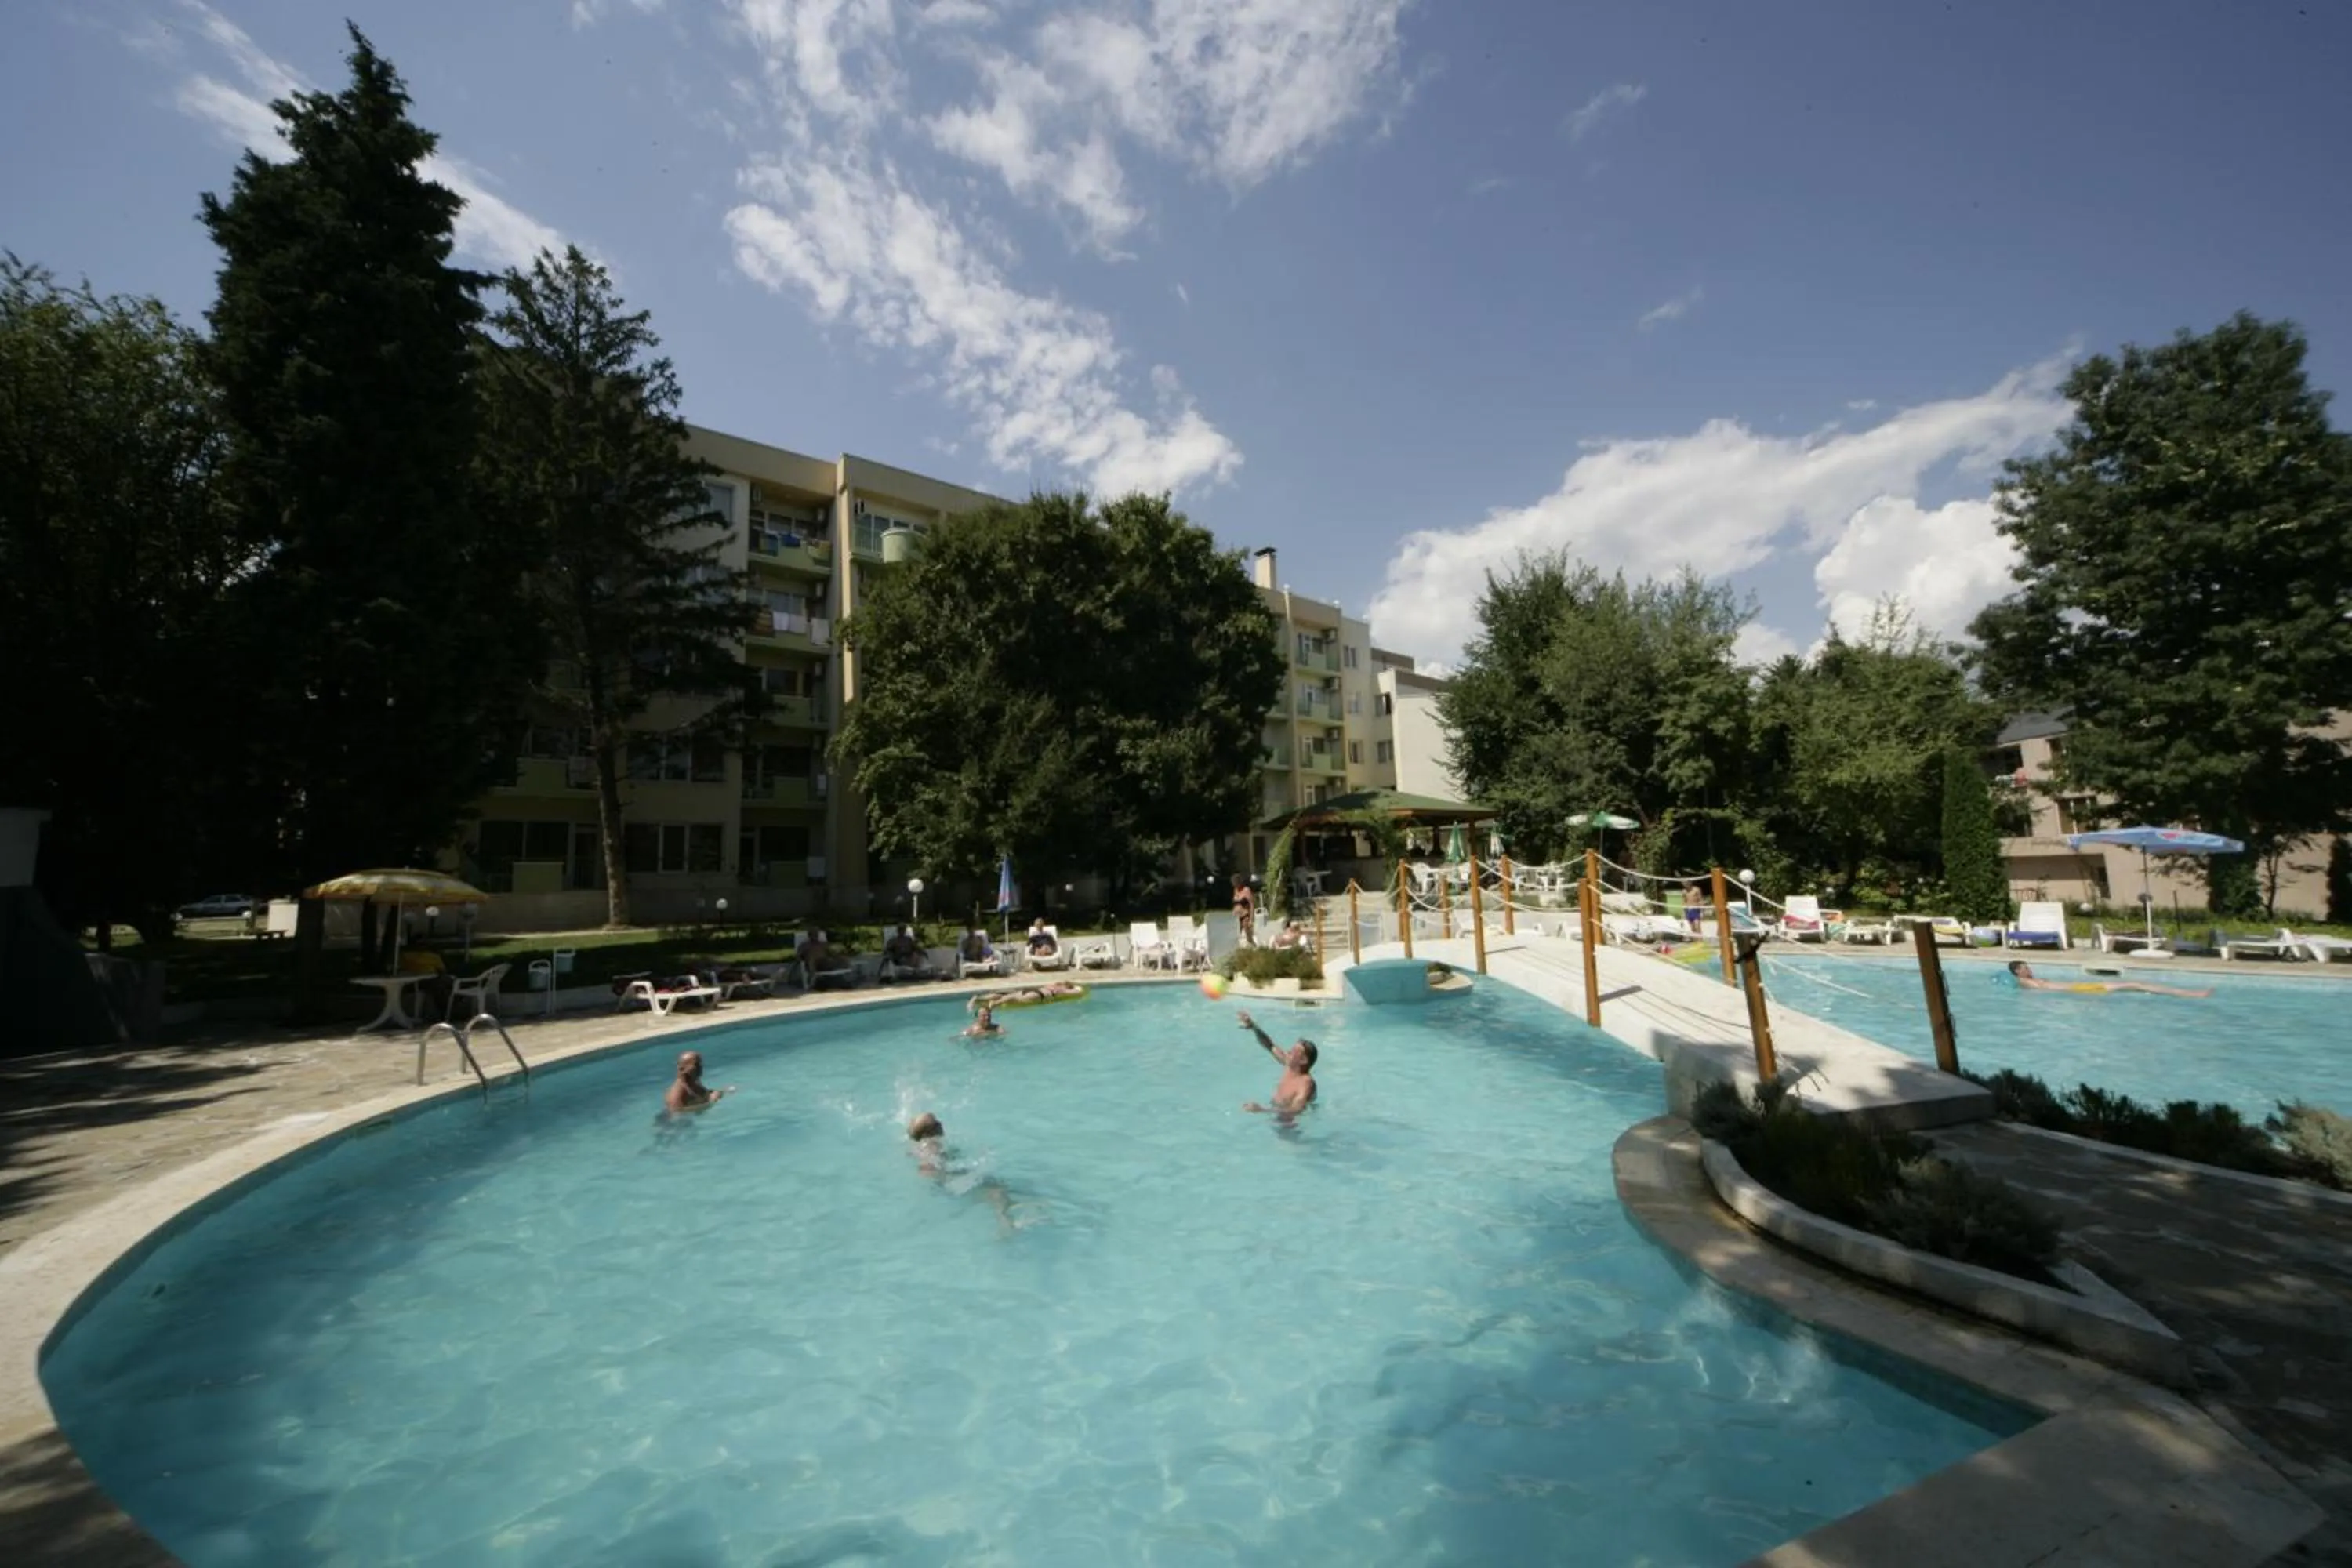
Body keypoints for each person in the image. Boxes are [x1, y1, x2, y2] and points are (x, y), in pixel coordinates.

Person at [907, 1112, 1015, 1232]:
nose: (940, 1124)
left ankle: (1006, 1212)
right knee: (996, 1191)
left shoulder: (919, 1146)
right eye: (935, 1123)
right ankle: (1006, 1223)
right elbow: (929, 1166)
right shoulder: (932, 1145)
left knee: (994, 1187)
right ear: (928, 1133)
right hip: (946, 1179)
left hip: (941, 1180)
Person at [1236, 1009, 1318, 1118]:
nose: (1288, 1052)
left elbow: (1296, 1110)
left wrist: (1262, 1110)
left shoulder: (1306, 1083)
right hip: (1275, 1113)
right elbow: (1270, 1045)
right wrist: (1254, 1027)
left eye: (1293, 1052)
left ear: (1303, 1060)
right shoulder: (1290, 1065)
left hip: (1289, 1125)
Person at [2005, 960, 2211, 999]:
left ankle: (2186, 994)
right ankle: (2190, 994)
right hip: (2083, 990)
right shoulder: (2026, 983)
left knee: (2135, 986)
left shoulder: (2029, 982)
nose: (2029, 968)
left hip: (2082, 989)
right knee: (2135, 984)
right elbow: (2036, 989)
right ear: (2017, 972)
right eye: (2024, 967)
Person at [663, 1049, 736, 1113]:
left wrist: (722, 1092)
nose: (701, 1068)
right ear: (682, 1069)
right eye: (696, 1065)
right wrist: (712, 1101)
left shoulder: (692, 1082)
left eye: (701, 1064)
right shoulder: (677, 1093)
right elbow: (677, 1115)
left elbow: (704, 1095)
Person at [1231, 873, 1257, 946]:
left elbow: (1252, 904)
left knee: (1248, 936)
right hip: (1236, 917)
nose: (1234, 884)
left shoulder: (1246, 890)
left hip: (1245, 915)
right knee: (1234, 936)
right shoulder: (1235, 890)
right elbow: (1236, 904)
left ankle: (1255, 947)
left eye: (1235, 882)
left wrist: (1251, 919)